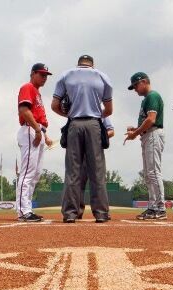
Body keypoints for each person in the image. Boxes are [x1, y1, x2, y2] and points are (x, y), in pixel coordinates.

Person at [52, 54, 113, 223]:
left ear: (78, 64)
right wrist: (96, 114)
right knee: (97, 172)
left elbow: (54, 106)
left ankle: (70, 214)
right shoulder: (102, 76)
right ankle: (101, 213)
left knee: (73, 172)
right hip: (94, 124)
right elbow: (108, 110)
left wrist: (69, 114)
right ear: (92, 65)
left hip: (74, 125)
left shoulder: (65, 76)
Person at [124, 72, 167, 220]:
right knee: (149, 174)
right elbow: (146, 121)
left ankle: (160, 208)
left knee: (154, 172)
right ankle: (152, 207)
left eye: (136, 85)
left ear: (143, 82)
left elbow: (151, 120)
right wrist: (135, 129)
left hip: (153, 134)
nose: (135, 89)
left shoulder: (152, 96)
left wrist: (135, 133)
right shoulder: (146, 99)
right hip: (148, 135)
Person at [16, 63, 54, 222]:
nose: (44, 77)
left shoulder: (37, 92)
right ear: (33, 73)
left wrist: (44, 135)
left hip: (38, 131)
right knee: (28, 173)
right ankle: (23, 211)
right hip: (30, 130)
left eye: (46, 75)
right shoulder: (28, 87)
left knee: (36, 174)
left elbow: (37, 117)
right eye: (41, 74)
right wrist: (38, 131)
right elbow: (24, 111)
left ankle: (27, 208)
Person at [77, 117, 114, 219]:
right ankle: (77, 211)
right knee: (78, 182)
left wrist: (96, 138)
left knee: (98, 180)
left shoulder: (101, 112)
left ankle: (102, 211)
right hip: (81, 152)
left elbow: (111, 131)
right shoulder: (77, 111)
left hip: (95, 150)